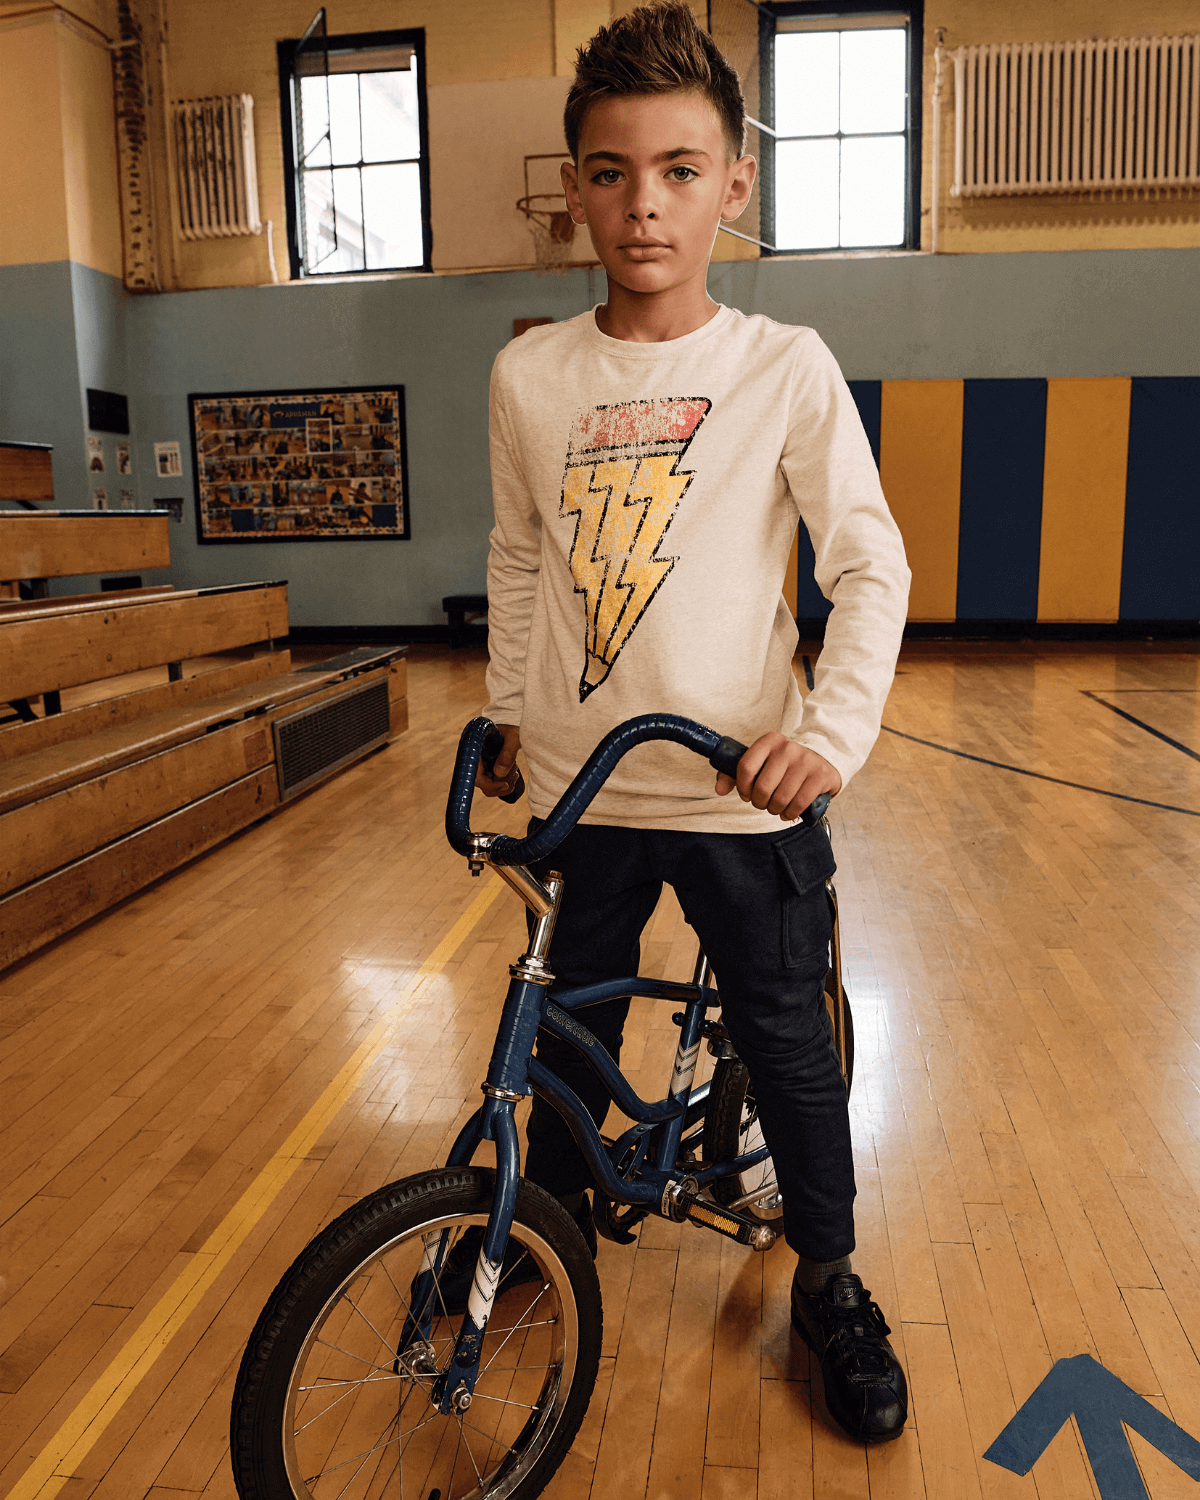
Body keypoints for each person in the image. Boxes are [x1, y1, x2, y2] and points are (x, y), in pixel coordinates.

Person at [474, 1, 911, 1445]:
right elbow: (523, 560)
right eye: (610, 172)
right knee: (560, 1037)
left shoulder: (781, 364)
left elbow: (868, 562)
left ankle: (834, 1278)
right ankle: (530, 1231)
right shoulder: (530, 376)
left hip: (741, 797)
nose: (642, 204)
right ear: (574, 187)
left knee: (784, 1043)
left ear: (734, 183)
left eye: (677, 169)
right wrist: (504, 714)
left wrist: (830, 738)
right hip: (590, 798)